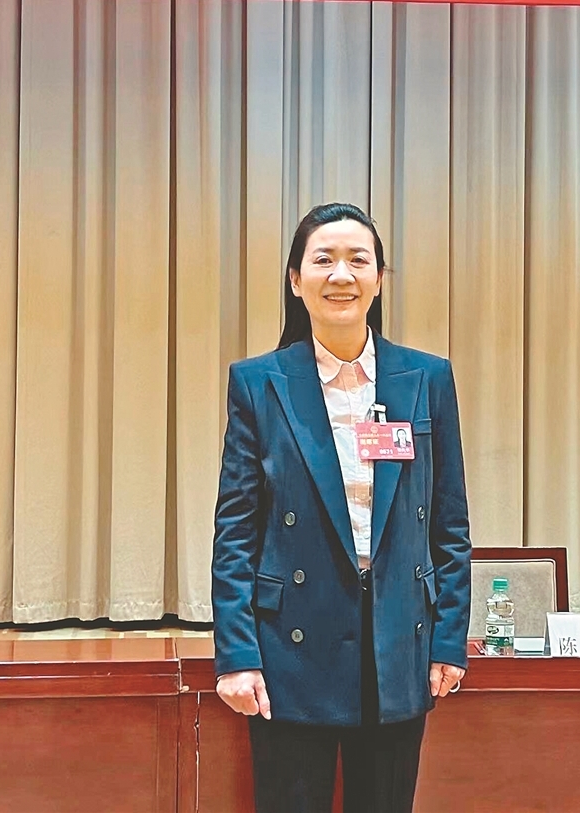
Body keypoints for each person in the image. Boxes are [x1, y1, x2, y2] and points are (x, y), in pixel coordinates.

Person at [211, 202, 471, 813]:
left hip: (396, 646)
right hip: (289, 650)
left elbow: (449, 524)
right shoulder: (259, 382)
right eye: (323, 259)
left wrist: (448, 640)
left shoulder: (426, 377)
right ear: (295, 279)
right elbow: (236, 532)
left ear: (379, 278)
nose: (341, 274)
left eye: (359, 260)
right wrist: (238, 656)